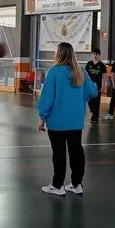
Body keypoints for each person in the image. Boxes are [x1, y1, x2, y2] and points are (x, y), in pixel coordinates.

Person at [37, 42, 98, 197]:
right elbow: (93, 92)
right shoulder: (81, 72)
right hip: (76, 121)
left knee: (59, 153)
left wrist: (42, 116)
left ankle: (58, 185)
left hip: (57, 122)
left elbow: (47, 98)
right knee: (76, 151)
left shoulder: (54, 72)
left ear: (59, 54)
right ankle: (76, 183)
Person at [84, 48, 107, 123]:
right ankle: (93, 111)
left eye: (96, 54)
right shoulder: (89, 64)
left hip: (97, 86)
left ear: (99, 55)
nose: (95, 56)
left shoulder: (102, 65)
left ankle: (95, 116)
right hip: (89, 86)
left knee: (97, 102)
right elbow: (85, 74)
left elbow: (104, 77)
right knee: (89, 100)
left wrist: (104, 86)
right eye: (94, 54)